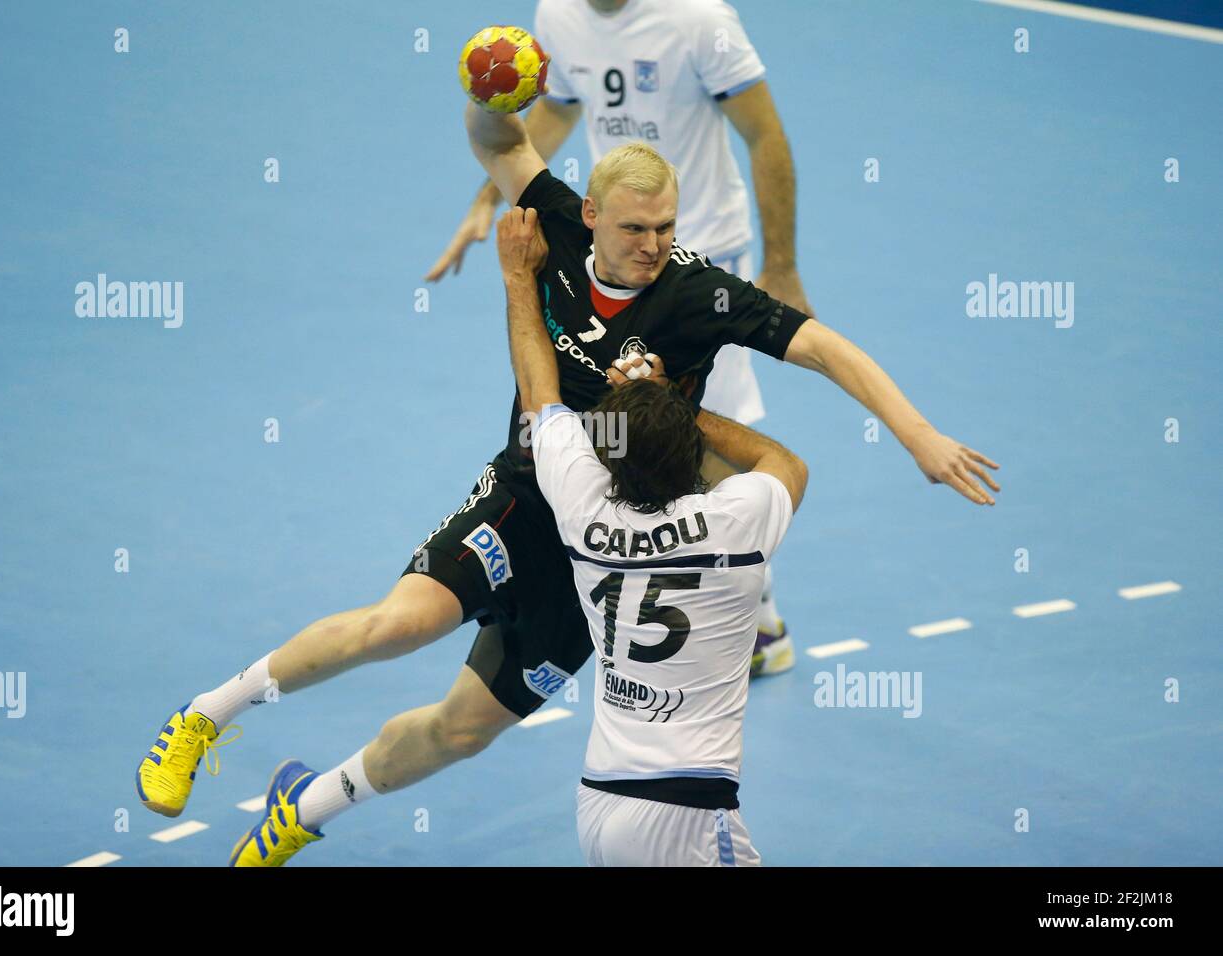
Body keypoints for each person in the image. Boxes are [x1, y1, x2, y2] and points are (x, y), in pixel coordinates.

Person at [136, 100, 999, 867]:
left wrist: (917, 435)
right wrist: (487, 94)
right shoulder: (551, 220)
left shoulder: (703, 295)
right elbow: (494, 141)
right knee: (400, 624)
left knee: (461, 730)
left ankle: (306, 805)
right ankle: (208, 713)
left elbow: (825, 347)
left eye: (665, 227)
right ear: (592, 216)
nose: (654, 245)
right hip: (525, 494)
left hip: (610, 551)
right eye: (635, 230)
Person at [428, 0, 814, 674]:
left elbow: (766, 135)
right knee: (659, 439)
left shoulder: (699, 19)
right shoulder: (561, 14)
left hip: (697, 269)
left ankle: (754, 618)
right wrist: (490, 196)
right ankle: (756, 619)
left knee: (704, 447)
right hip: (618, 253)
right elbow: (554, 112)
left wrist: (779, 264)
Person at [500, 204, 807, 865]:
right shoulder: (734, 526)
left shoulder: (584, 511)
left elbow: (540, 393)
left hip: (599, 797)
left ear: (611, 459)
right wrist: (683, 406)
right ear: (692, 458)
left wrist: (519, 280)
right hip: (688, 813)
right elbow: (785, 464)